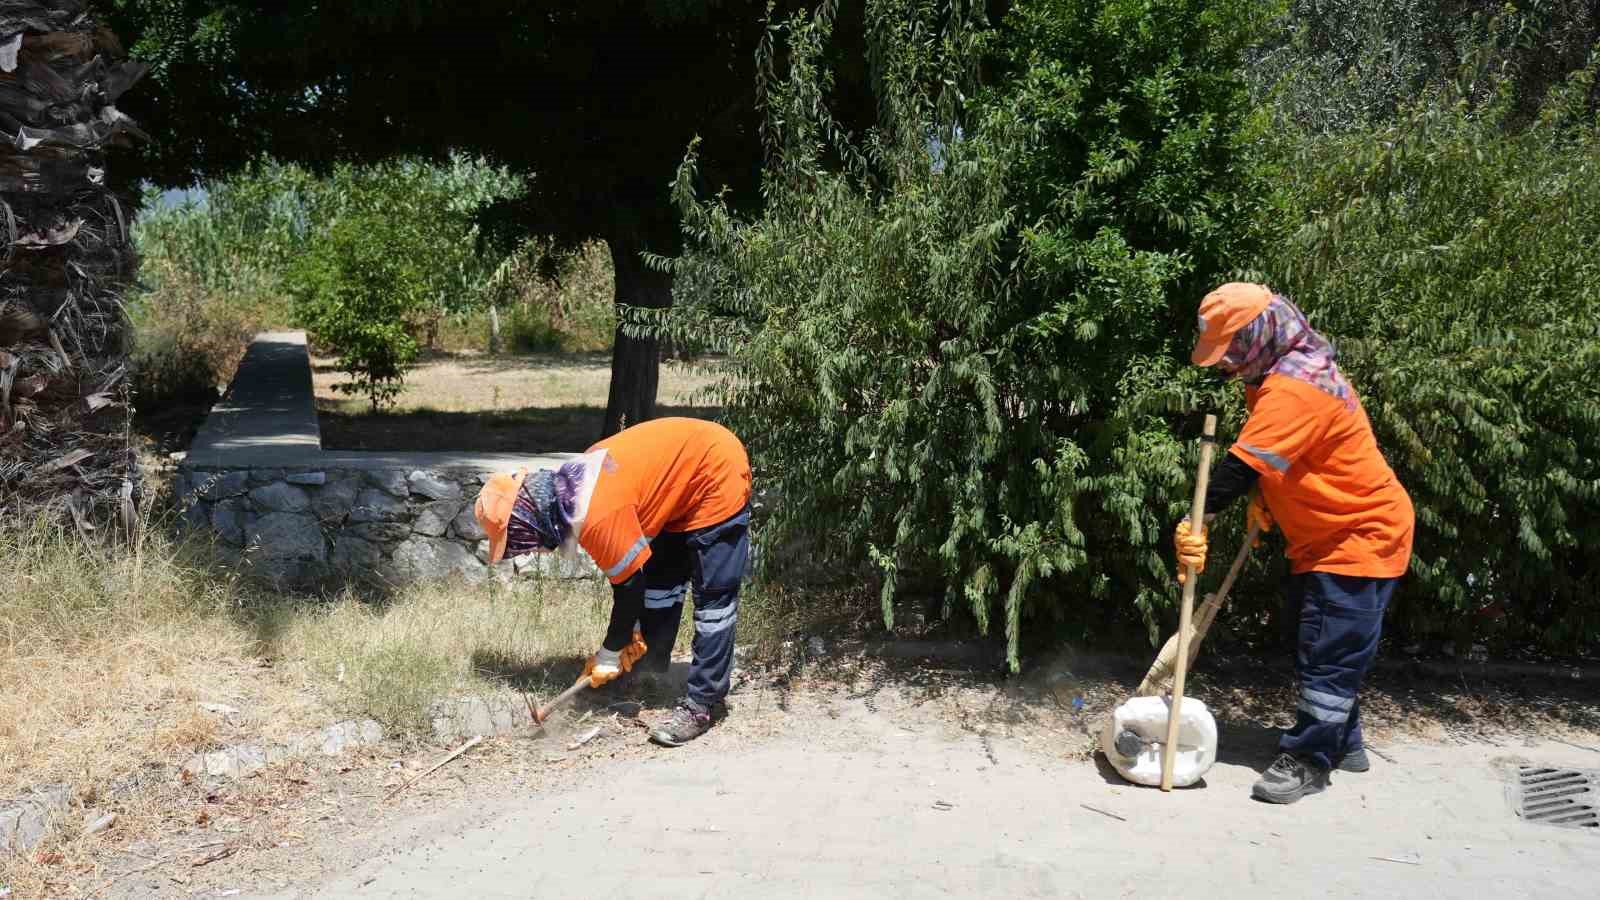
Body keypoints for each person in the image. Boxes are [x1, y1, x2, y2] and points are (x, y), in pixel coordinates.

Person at [1174, 282, 1414, 804]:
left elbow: (1241, 466)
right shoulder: (1279, 376)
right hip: (1327, 537)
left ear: (1261, 334)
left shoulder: (1295, 388)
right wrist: (1271, 495)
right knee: (1324, 644)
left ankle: (1309, 759)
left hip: (1357, 536)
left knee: (1327, 651)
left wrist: (1199, 518)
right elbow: (1287, 455)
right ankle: (1343, 742)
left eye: (1232, 349)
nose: (1226, 363)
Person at [475, 417, 753, 747]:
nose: (533, 549)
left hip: (715, 471)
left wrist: (609, 652)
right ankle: (651, 674)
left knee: (713, 605)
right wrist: (628, 642)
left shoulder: (596, 515)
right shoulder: (572, 489)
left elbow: (628, 588)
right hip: (681, 484)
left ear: (531, 522)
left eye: (524, 541)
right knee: (661, 585)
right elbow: (637, 583)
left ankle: (702, 705)